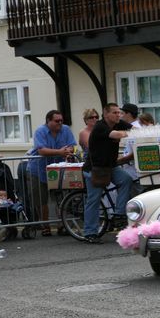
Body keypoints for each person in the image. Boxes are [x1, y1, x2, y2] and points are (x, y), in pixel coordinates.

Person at [82, 103, 133, 243]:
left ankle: (119, 214)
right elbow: (115, 134)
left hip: (110, 166)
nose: (118, 115)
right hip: (95, 169)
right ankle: (90, 233)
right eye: (115, 113)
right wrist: (129, 134)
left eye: (119, 112)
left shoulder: (118, 123)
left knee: (126, 180)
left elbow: (134, 128)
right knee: (94, 199)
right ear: (106, 114)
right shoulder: (100, 126)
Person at [27, 110, 76, 236]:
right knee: (41, 200)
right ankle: (45, 226)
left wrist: (69, 150)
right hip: (39, 169)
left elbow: (72, 146)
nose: (60, 123)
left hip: (59, 169)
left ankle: (62, 225)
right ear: (48, 121)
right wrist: (60, 152)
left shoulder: (66, 129)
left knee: (61, 198)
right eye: (57, 121)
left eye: (61, 120)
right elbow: (41, 151)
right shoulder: (40, 131)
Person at [120, 103, 142, 196]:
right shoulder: (132, 128)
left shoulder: (135, 130)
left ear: (128, 114)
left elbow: (136, 152)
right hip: (131, 172)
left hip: (134, 173)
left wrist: (120, 161)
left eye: (122, 113)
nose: (120, 116)